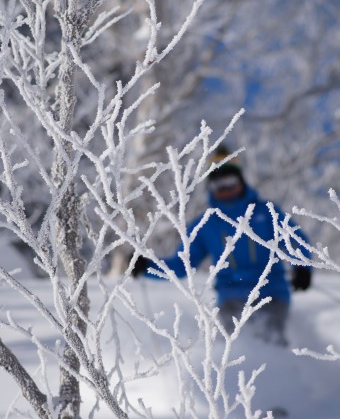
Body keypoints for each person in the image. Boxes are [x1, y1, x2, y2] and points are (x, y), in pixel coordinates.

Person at [131, 146, 312, 346]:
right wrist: (148, 266)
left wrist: (303, 267)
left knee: (270, 337)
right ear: (210, 187)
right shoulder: (207, 223)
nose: (224, 189)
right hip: (231, 298)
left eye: (229, 181)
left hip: (271, 293)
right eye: (218, 184)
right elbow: (182, 265)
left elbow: (296, 239)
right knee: (232, 343)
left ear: (241, 181)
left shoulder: (265, 212)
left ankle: (282, 370)